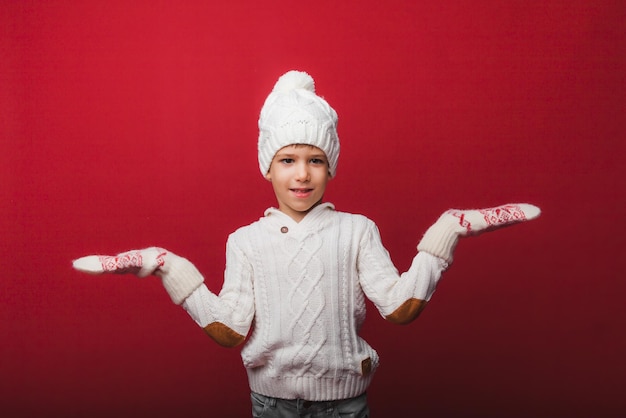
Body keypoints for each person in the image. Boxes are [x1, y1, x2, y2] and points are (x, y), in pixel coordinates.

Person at [73, 70, 540, 418]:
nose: (302, 173)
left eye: (315, 160)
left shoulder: (357, 230)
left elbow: (399, 307)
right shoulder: (246, 242)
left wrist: (446, 232)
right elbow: (231, 329)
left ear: (330, 166)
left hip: (345, 402)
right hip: (271, 401)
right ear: (267, 167)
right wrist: (168, 267)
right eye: (288, 159)